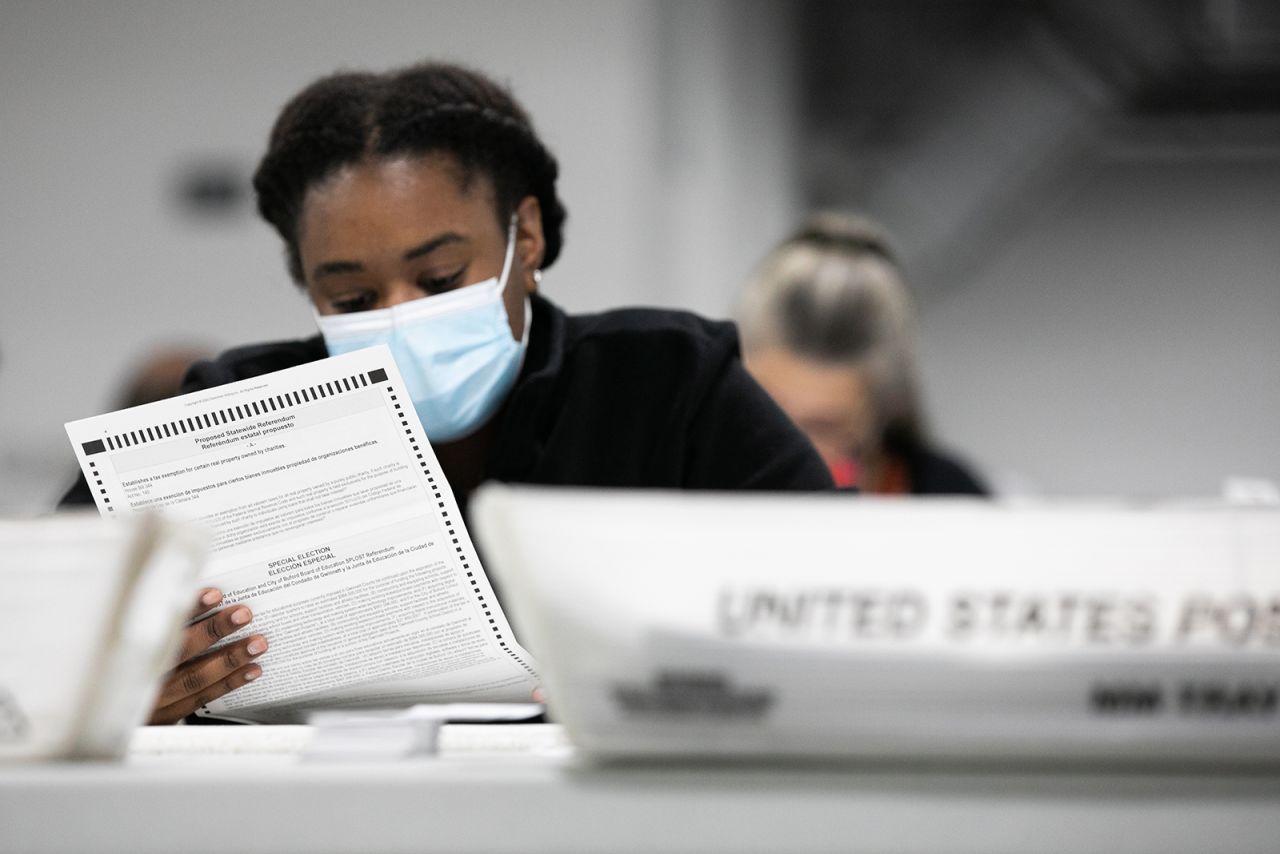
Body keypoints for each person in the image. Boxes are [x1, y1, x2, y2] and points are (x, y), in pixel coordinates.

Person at [63, 61, 833, 722]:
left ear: (523, 239)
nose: (400, 317)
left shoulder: (665, 384)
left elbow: (839, 604)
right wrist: (118, 690)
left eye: (438, 279)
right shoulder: (225, 415)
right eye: (354, 300)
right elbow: (37, 645)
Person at [737, 212, 988, 496]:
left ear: (884, 410)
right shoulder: (693, 489)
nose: (784, 450)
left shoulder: (951, 506)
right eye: (767, 414)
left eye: (824, 428)